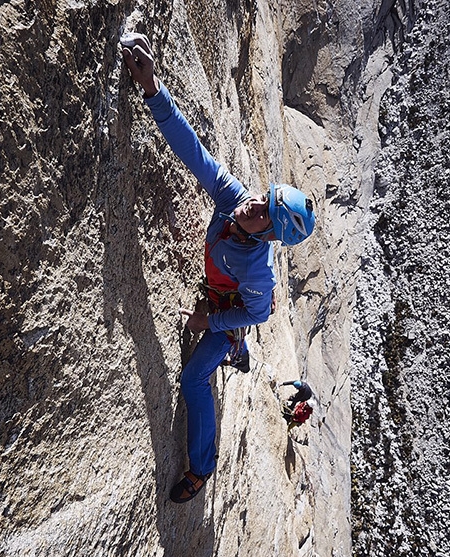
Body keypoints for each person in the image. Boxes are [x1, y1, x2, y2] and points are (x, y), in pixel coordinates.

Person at [121, 34, 316, 503]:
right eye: (264, 197)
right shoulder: (236, 199)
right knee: (228, 342)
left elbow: (258, 314)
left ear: (270, 235)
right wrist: (153, 89)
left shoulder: (257, 270)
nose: (253, 202)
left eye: (263, 211)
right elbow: (195, 155)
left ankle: (201, 468)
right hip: (224, 297)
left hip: (227, 314)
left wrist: (211, 321)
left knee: (192, 379)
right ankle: (239, 352)